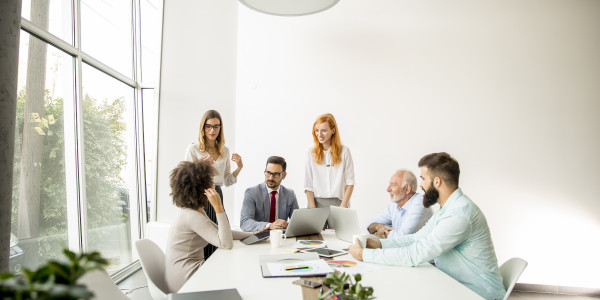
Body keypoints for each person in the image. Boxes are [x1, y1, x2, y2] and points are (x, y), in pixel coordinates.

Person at [349, 152, 505, 300]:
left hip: (478, 294)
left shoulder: (460, 214)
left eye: (423, 179)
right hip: (456, 287)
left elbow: (416, 253)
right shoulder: (448, 209)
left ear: (437, 181)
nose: (420, 185)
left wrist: (365, 255)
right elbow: (416, 239)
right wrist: (378, 243)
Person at [165, 160, 255, 293]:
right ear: (201, 188)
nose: (214, 184)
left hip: (192, 273)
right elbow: (225, 243)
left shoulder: (195, 211)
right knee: (238, 273)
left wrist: (256, 234)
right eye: (210, 181)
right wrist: (218, 207)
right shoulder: (192, 216)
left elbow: (222, 232)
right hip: (187, 281)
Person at [184, 109, 243, 259]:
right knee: (206, 239)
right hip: (200, 197)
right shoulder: (193, 148)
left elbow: (227, 181)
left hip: (217, 195)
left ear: (220, 128)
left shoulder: (225, 150)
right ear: (203, 128)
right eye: (208, 126)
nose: (212, 130)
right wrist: (200, 166)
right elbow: (184, 179)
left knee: (223, 235)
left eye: (216, 126)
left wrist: (239, 168)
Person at [304, 113, 355, 228]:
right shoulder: (310, 152)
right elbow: (308, 185)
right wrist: (313, 210)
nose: (319, 134)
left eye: (323, 130)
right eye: (317, 130)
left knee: (338, 242)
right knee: (315, 240)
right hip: (316, 203)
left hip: (339, 204)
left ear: (333, 130)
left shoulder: (344, 151)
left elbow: (350, 183)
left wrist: (342, 209)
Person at [367, 170, 433, 239]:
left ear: (407, 189)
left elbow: (401, 238)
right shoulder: (394, 205)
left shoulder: (420, 204)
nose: (388, 189)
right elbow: (369, 225)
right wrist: (378, 226)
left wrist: (379, 233)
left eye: (393, 185)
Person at [240, 156, 299, 232]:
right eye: (268, 173)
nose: (270, 178)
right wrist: (269, 225)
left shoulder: (290, 194)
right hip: (260, 237)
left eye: (276, 174)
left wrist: (287, 224)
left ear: (284, 175)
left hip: (281, 238)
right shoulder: (251, 193)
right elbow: (244, 223)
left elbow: (296, 222)